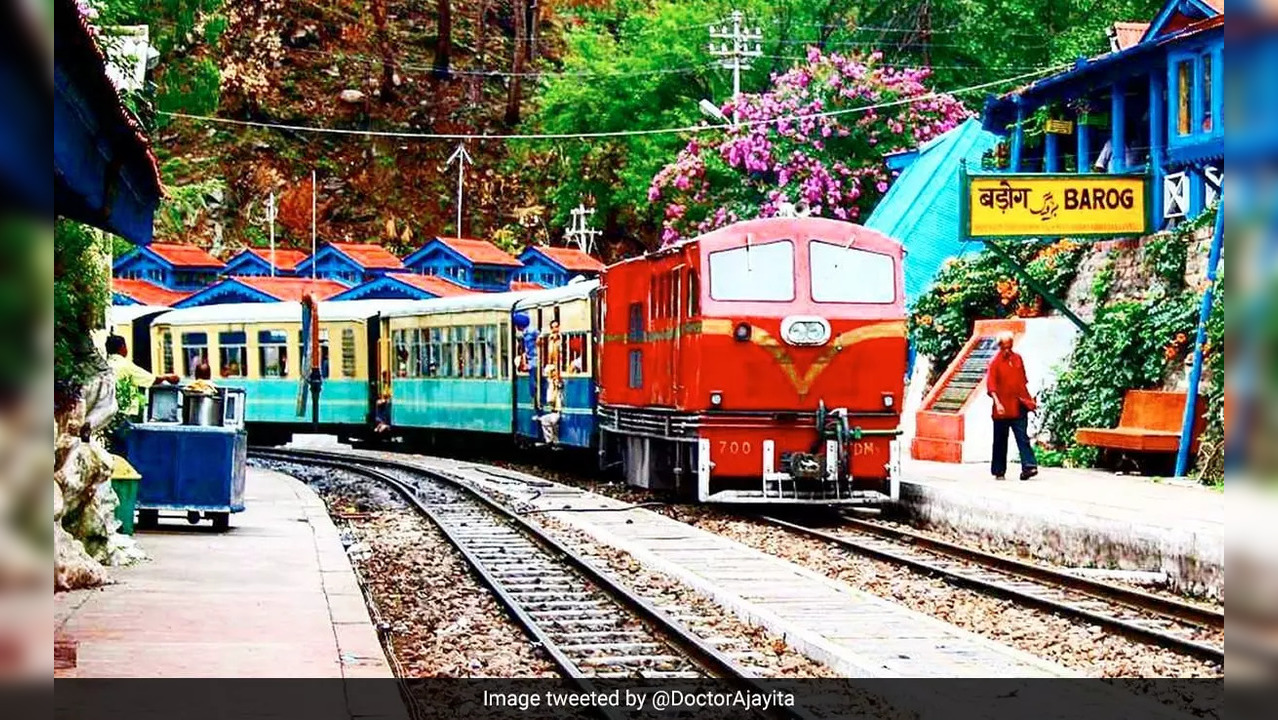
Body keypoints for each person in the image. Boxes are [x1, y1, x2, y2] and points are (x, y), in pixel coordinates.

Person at [986, 331, 1039, 481]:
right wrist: (998, 403)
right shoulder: (995, 363)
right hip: (1002, 406)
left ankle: (1029, 466)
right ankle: (999, 470)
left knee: (1022, 437)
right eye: (1004, 347)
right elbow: (991, 386)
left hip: (1018, 403)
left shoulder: (1017, 359)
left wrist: (1029, 401)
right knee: (1000, 440)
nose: (1007, 350)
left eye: (1009, 346)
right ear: (1000, 346)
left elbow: (1022, 382)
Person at [104, 335, 179, 420]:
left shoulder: (106, 364)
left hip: (107, 410)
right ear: (122, 347)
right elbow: (151, 379)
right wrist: (167, 377)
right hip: (125, 411)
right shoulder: (125, 365)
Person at [538, 364, 563, 446]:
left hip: (556, 413)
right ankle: (554, 439)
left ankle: (549, 441)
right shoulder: (557, 382)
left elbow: (550, 400)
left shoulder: (552, 384)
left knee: (544, 419)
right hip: (558, 412)